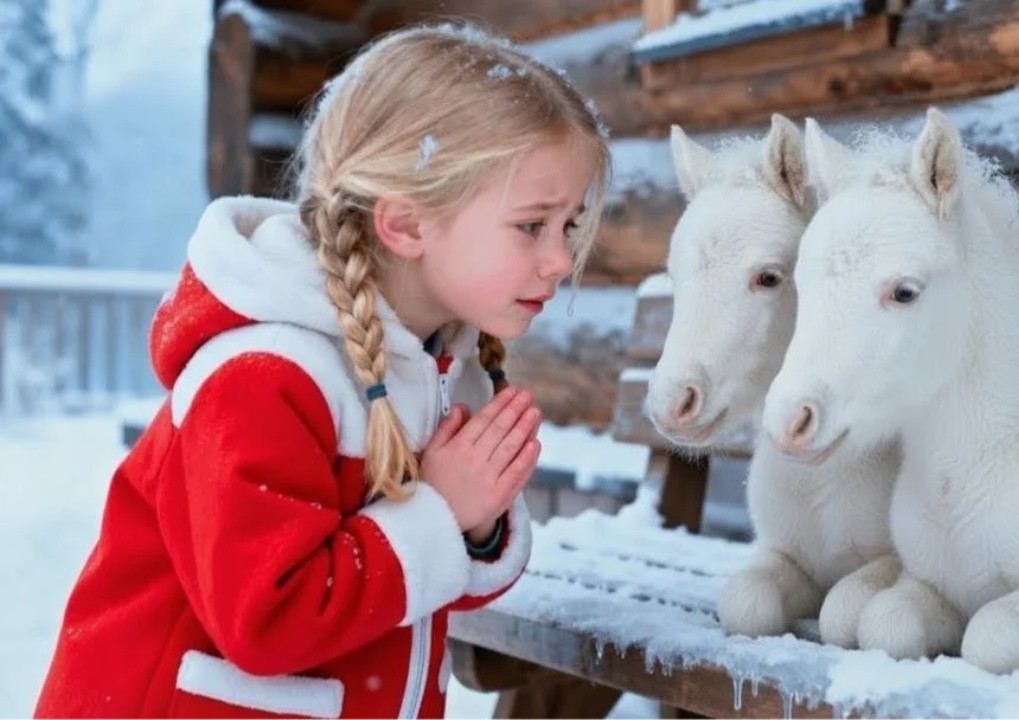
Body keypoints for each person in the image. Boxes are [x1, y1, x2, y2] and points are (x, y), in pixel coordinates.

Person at [35, 21, 611, 719]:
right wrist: (443, 511)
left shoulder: (433, 367)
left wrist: (474, 525)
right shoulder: (262, 375)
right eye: (532, 225)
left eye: (570, 228)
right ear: (405, 224)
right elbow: (265, 620)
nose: (560, 259)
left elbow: (421, 584)